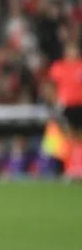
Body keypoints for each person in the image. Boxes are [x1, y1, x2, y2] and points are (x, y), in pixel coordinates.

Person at [46, 37, 82, 179]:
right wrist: (54, 101)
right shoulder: (58, 67)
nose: (72, 52)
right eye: (70, 49)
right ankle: (69, 168)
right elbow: (50, 86)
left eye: (75, 49)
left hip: (80, 105)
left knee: (79, 137)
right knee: (68, 137)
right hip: (66, 106)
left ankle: (78, 167)